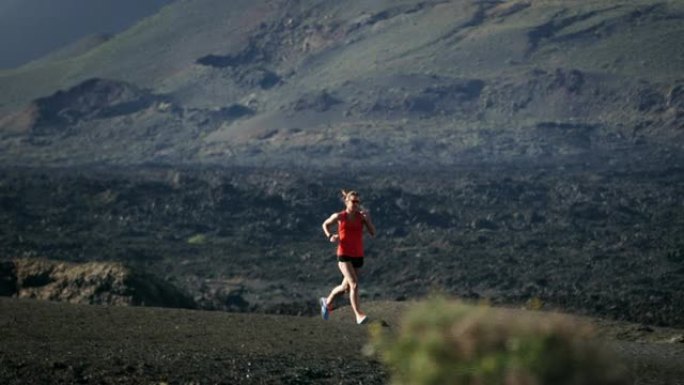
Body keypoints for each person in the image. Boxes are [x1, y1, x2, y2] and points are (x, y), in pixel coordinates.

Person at [320, 189, 376, 324]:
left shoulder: (361, 217)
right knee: (354, 285)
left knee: (346, 288)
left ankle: (326, 302)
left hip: (357, 255)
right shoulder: (340, 216)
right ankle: (359, 314)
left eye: (358, 202)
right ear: (346, 202)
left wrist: (368, 220)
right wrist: (330, 236)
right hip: (344, 254)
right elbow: (325, 224)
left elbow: (373, 232)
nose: (356, 204)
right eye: (353, 201)